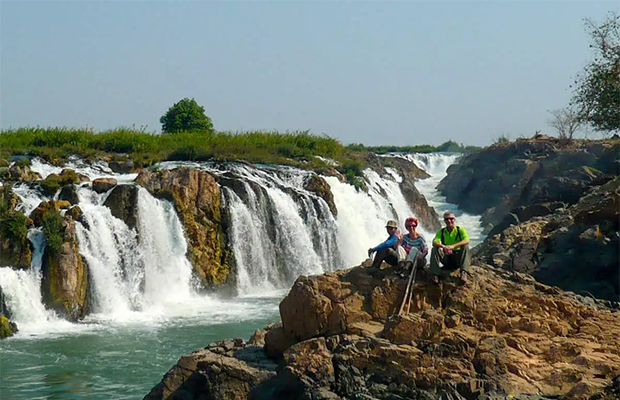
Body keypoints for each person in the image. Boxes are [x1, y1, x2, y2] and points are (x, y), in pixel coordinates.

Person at [429, 211, 471, 284]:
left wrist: (453, 246)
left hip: (458, 258)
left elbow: (466, 240)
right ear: (444, 221)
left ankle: (464, 272)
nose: (449, 221)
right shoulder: (441, 232)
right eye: (447, 219)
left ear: (454, 219)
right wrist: (444, 246)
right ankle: (435, 274)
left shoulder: (460, 230)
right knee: (434, 249)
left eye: (451, 219)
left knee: (465, 247)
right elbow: (434, 242)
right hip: (447, 257)